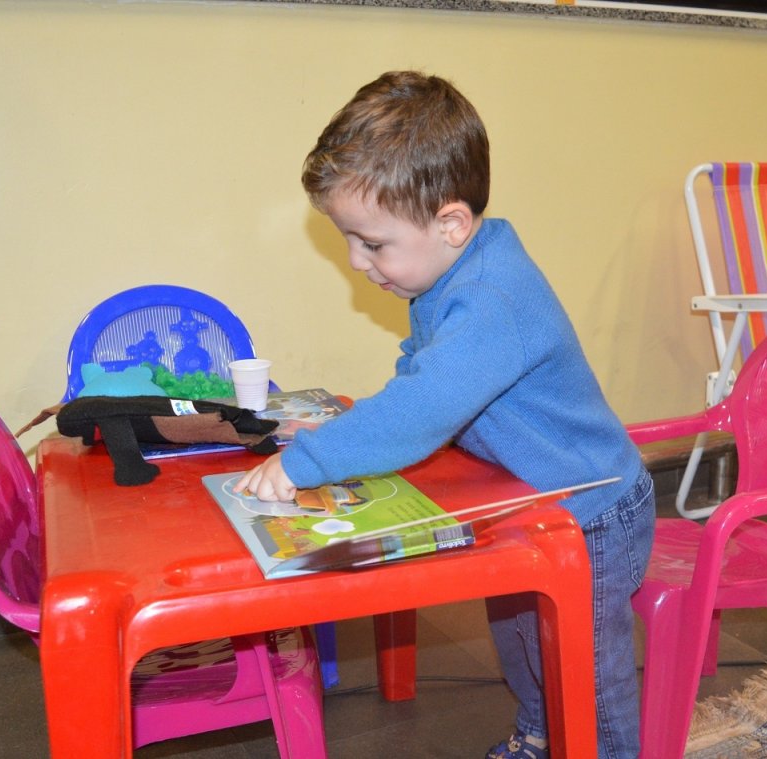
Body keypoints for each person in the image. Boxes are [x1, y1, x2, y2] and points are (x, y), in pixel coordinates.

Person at [235, 70, 655, 759]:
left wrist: (310, 459)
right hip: (529, 495)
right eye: (348, 239)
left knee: (585, 667)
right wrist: (342, 431)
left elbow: (421, 410)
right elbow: (422, 374)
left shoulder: (492, 295)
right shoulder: (451, 270)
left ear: (451, 223)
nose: (356, 261)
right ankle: (542, 733)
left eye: (372, 243)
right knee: (522, 635)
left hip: (595, 508)